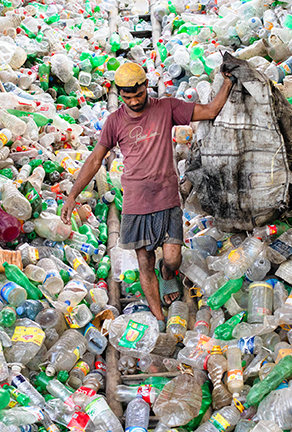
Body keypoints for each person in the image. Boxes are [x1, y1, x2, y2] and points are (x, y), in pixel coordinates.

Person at [60, 61, 235, 325]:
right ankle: (158, 318)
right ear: (120, 95)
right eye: (127, 97)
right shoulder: (114, 121)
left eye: (138, 94)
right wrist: (73, 196)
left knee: (173, 258)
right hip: (135, 201)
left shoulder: (166, 108)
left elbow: (210, 111)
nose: (133, 101)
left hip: (166, 197)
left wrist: (228, 82)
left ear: (146, 87)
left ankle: (167, 275)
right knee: (144, 261)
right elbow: (96, 159)